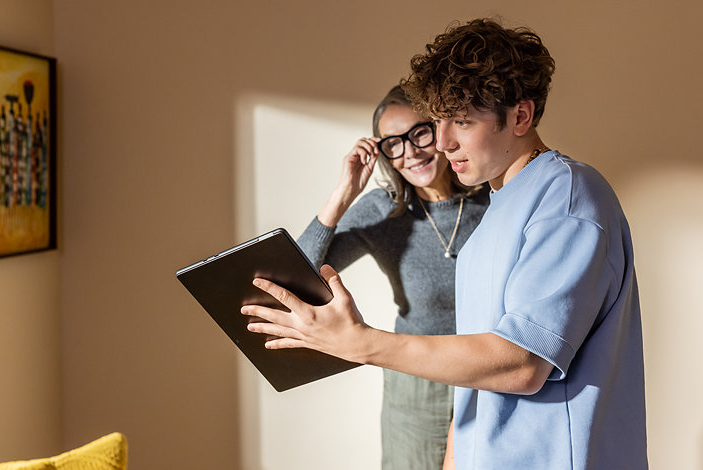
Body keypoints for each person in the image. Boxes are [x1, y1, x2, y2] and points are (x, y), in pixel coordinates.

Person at [243, 18, 647, 470]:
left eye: (461, 121)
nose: (441, 141)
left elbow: (521, 364)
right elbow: (478, 381)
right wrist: (457, 455)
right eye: (437, 121)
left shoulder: (567, 195)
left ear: (521, 116)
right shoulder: (496, 210)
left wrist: (361, 343)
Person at [296, 85, 489, 470]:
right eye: (393, 145)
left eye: (420, 133)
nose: (410, 152)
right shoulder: (384, 212)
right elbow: (297, 275)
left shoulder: (493, 200)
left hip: (487, 374)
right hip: (415, 386)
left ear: (442, 128)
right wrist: (344, 193)